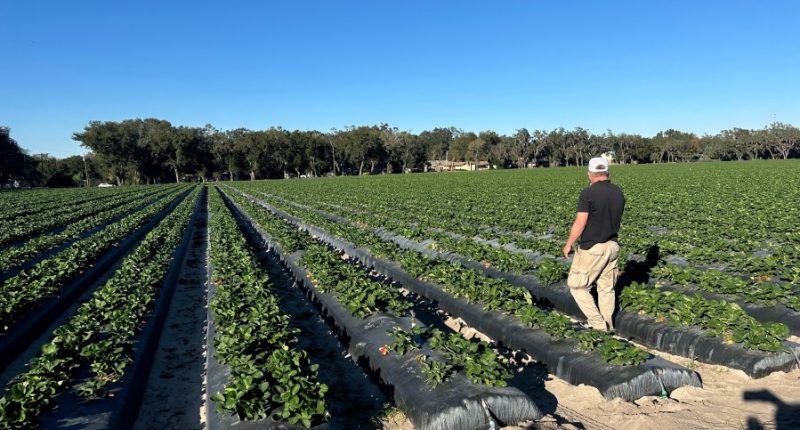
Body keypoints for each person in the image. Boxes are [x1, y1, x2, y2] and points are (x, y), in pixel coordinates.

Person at [561, 157, 625, 332]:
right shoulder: (618, 191)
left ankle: (597, 324)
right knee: (606, 289)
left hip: (593, 248)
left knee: (577, 286)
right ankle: (608, 325)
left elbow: (581, 223)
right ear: (607, 173)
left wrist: (568, 244)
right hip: (612, 246)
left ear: (590, 174)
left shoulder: (588, 193)